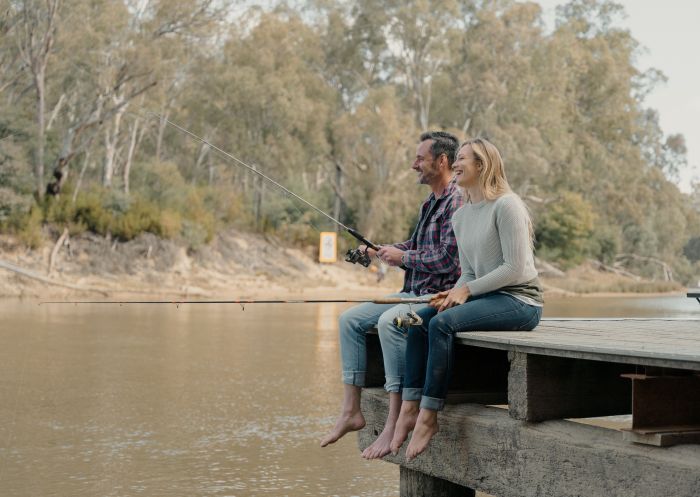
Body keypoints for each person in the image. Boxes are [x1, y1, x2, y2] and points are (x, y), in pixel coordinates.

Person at [389, 137, 544, 461]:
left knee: (442, 325)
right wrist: (452, 292)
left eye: (462, 159)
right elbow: (470, 272)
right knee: (417, 319)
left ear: (481, 166)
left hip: (520, 301)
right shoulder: (461, 216)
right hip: (484, 296)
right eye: (456, 158)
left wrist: (466, 292)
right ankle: (409, 408)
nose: (455, 164)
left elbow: (515, 270)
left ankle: (429, 415)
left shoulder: (507, 204)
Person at [320, 131, 464, 459]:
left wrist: (404, 258)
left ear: (442, 161)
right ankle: (350, 412)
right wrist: (377, 251)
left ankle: (394, 421)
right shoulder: (431, 202)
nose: (414, 165)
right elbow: (415, 247)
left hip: (435, 297)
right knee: (350, 320)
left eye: (420, 159)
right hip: (411, 291)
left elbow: (448, 259)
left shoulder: (457, 201)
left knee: (390, 322)